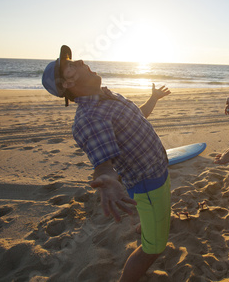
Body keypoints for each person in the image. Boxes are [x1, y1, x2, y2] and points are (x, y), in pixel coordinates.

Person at [42, 45, 171, 282]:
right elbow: (104, 164)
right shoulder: (90, 118)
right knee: (153, 249)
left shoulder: (105, 97)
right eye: (70, 65)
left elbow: (136, 118)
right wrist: (108, 180)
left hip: (156, 171)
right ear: (67, 84)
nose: (79, 61)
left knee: (152, 218)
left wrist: (153, 99)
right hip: (148, 184)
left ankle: (145, 225)